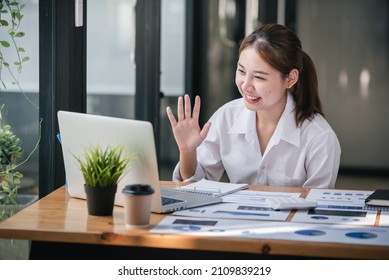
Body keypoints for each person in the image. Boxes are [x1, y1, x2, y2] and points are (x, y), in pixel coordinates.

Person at [166, 23, 341, 188]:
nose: (245, 85)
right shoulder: (226, 117)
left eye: (259, 77)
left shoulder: (319, 138)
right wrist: (187, 151)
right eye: (241, 71)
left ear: (290, 79)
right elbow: (194, 187)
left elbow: (317, 207)